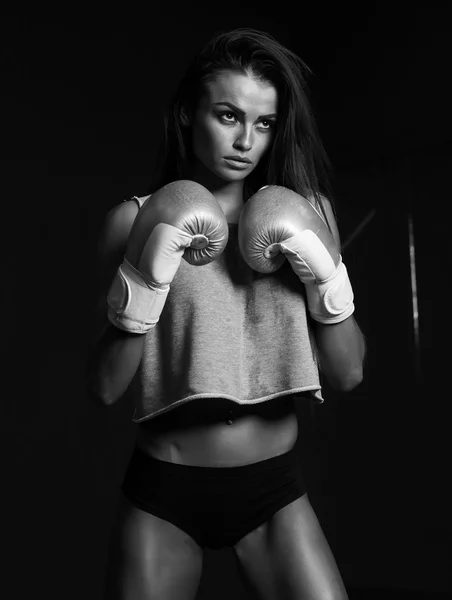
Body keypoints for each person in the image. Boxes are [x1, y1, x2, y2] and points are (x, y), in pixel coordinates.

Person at [86, 27, 366, 600]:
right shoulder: (134, 221)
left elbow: (348, 373)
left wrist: (326, 279)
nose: (245, 140)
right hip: (165, 491)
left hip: (272, 491)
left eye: (263, 123)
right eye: (227, 115)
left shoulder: (308, 216)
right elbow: (105, 387)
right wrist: (143, 281)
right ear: (188, 114)